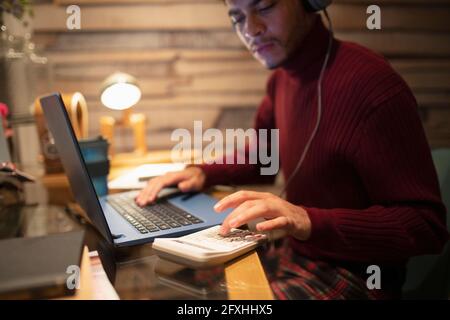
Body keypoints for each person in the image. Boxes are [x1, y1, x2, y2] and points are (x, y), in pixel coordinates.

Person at [136, 0, 449, 299]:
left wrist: (306, 220)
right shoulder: (282, 80)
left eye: (265, 7)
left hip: (354, 276)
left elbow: (425, 226)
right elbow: (263, 158)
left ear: (311, 2)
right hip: (291, 255)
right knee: (158, 288)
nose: (251, 29)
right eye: (238, 17)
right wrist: (200, 172)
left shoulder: (372, 85)